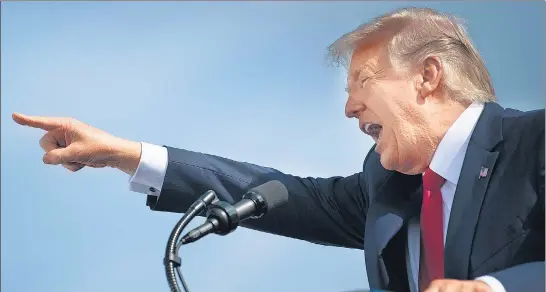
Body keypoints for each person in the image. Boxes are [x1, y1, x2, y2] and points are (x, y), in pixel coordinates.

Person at [12, 7, 544, 292]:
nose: (350, 108)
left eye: (363, 82)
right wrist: (124, 154)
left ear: (428, 77)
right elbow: (270, 193)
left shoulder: (534, 142)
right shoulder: (386, 187)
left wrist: (494, 290)